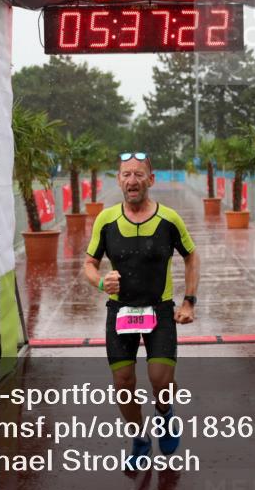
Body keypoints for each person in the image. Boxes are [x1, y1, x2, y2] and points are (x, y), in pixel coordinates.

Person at [84, 152, 199, 469]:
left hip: (160, 311)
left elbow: (191, 256)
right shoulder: (106, 220)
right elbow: (90, 265)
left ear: (151, 179)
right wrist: (100, 282)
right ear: (118, 180)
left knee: (160, 382)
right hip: (120, 312)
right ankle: (139, 439)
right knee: (123, 383)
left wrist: (189, 300)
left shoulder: (169, 220)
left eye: (138, 174)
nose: (131, 180)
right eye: (125, 175)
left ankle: (165, 415)